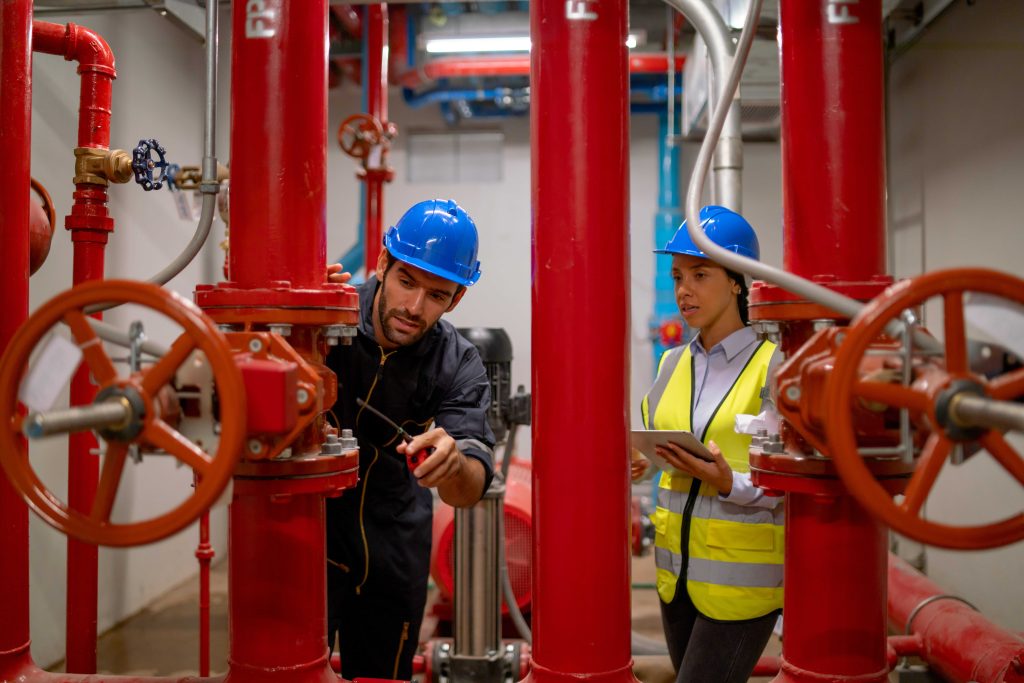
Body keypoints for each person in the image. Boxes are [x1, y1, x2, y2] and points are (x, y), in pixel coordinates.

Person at [324, 199, 495, 680]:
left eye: (437, 296)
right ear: (381, 263)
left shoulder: (457, 363)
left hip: (394, 553)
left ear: (456, 300)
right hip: (308, 543)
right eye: (406, 282)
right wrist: (298, 316)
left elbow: (471, 485)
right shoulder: (322, 318)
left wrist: (455, 465)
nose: (414, 308)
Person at [635, 206, 784, 683]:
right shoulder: (671, 363)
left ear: (738, 282)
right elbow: (653, 441)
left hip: (740, 584)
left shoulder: (774, 367)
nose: (684, 289)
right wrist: (640, 461)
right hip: (674, 578)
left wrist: (727, 482)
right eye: (678, 275)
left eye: (701, 274)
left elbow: (790, 480)